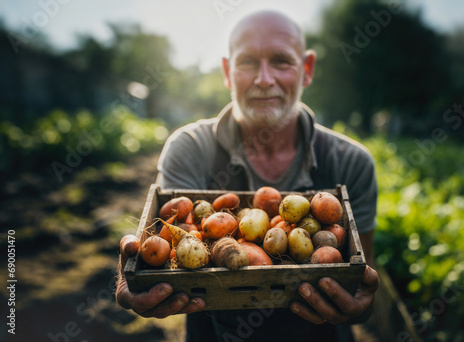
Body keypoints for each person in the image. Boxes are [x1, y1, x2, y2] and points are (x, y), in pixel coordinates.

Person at [116, 10, 379, 342]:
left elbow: (365, 284)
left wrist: (362, 306)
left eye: (281, 61)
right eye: (248, 62)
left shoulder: (351, 162)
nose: (264, 79)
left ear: (307, 69)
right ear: (227, 72)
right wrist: (136, 278)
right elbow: (168, 252)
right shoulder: (190, 148)